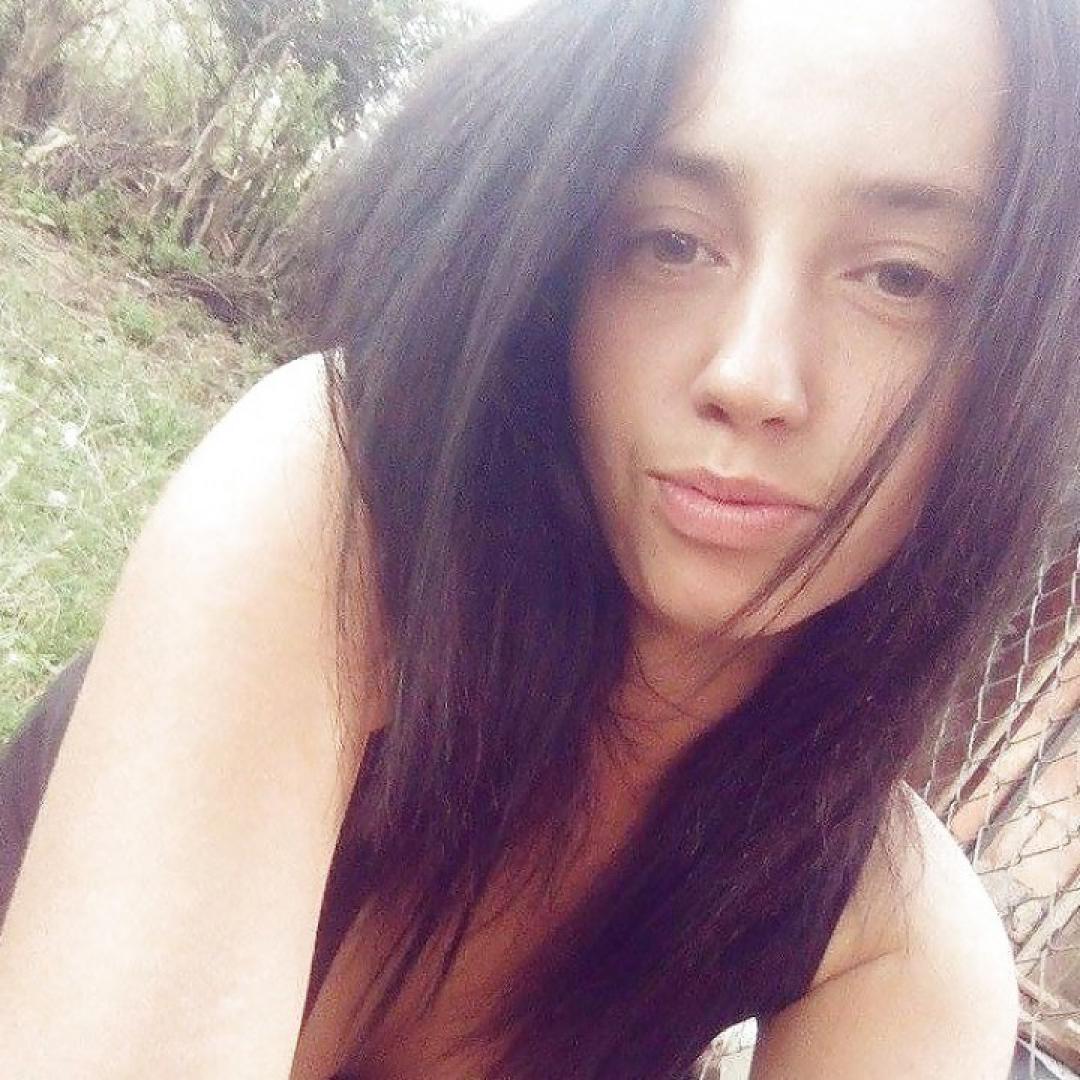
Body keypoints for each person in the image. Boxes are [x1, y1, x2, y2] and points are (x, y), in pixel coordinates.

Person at [2, 0, 1078, 1075]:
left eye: (902, 278)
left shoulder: (899, 943)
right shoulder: (339, 499)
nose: (749, 377)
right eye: (672, 243)